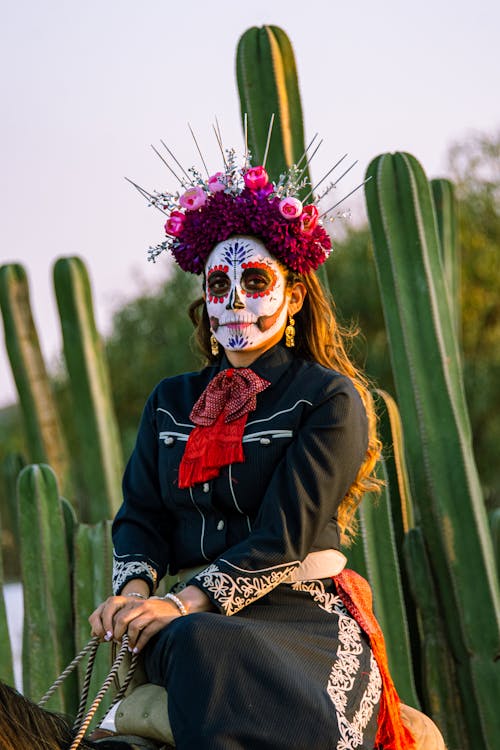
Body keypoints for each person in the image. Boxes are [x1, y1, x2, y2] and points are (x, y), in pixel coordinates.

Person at [89, 147, 415, 750]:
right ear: (206, 303)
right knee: (185, 643)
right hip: (184, 627)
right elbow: (141, 514)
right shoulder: (169, 400)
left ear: (292, 297)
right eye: (220, 283)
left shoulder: (328, 398)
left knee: (194, 639)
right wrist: (134, 597)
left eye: (255, 281)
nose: (235, 299)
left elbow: (283, 536)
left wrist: (184, 605)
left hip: (300, 619)